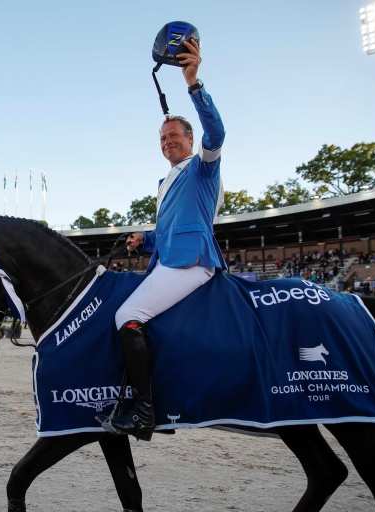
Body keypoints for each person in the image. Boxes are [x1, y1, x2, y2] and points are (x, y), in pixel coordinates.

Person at [100, 39, 226, 441]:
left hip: (191, 262)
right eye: (162, 139)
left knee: (127, 316)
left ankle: (144, 413)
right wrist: (145, 238)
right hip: (168, 258)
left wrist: (193, 84)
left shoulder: (202, 168)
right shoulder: (165, 181)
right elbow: (170, 230)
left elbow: (217, 130)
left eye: (174, 135)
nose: (167, 142)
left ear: (190, 140)